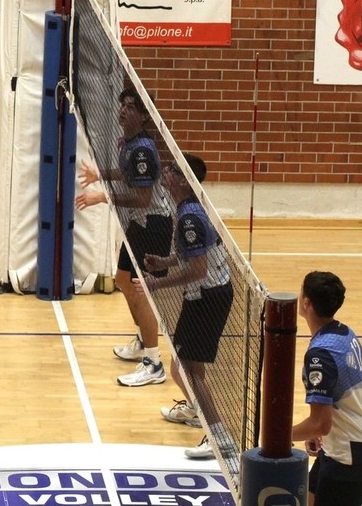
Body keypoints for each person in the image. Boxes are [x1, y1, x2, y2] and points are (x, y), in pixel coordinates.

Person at [141, 154, 234, 462]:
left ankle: (220, 439)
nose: (165, 172)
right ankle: (205, 419)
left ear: (184, 181)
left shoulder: (189, 218)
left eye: (171, 170)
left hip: (207, 297)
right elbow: (192, 257)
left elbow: (198, 270)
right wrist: (164, 262)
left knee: (189, 369)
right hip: (206, 295)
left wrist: (158, 284)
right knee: (189, 366)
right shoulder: (187, 209)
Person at [76, 88, 172, 387]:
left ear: (144, 116)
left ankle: (154, 363)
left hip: (153, 224)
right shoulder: (128, 143)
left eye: (131, 107)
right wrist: (101, 174)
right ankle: (144, 341)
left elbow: (143, 199)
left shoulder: (142, 149)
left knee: (142, 290)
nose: (123, 110)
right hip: (138, 224)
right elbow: (129, 174)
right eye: (123, 105)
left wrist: (102, 196)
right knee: (122, 279)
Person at [291, 271, 362, 506]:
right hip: (347, 445)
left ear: (306, 303)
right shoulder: (344, 332)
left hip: (349, 455)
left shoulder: (321, 355)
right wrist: (316, 432)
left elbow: (320, 423)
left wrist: (280, 437)